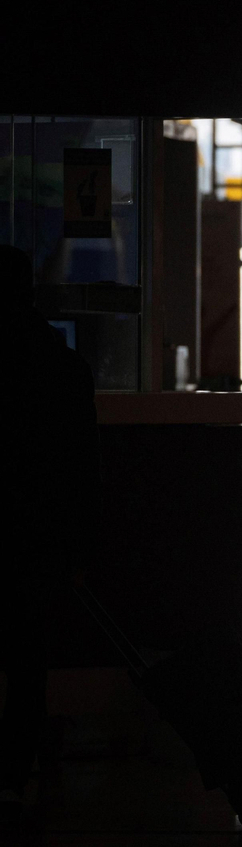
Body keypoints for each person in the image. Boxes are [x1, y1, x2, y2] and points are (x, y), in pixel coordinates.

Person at [0, 245, 98, 817]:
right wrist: (80, 541)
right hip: (38, 535)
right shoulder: (61, 366)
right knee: (27, 661)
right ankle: (12, 777)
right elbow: (83, 464)